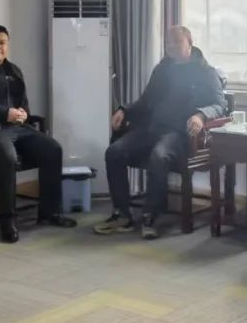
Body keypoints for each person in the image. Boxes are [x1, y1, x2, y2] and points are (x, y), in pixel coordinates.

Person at [94, 25, 226, 240]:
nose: (172, 47)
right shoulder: (163, 69)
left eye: (177, 42)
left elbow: (220, 105)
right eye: (168, 43)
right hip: (152, 129)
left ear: (190, 43)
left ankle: (150, 216)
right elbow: (146, 101)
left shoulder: (205, 72)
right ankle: (122, 214)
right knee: (114, 152)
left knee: (159, 156)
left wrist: (201, 115)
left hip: (179, 133)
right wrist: (124, 110)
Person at [0, 24, 75, 243]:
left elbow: (24, 103)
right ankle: (7, 222)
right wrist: (5, 113)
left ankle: (50, 212)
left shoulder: (14, 70)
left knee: (53, 149)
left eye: (2, 42)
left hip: (18, 128)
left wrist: (23, 113)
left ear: (7, 45)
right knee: (7, 158)